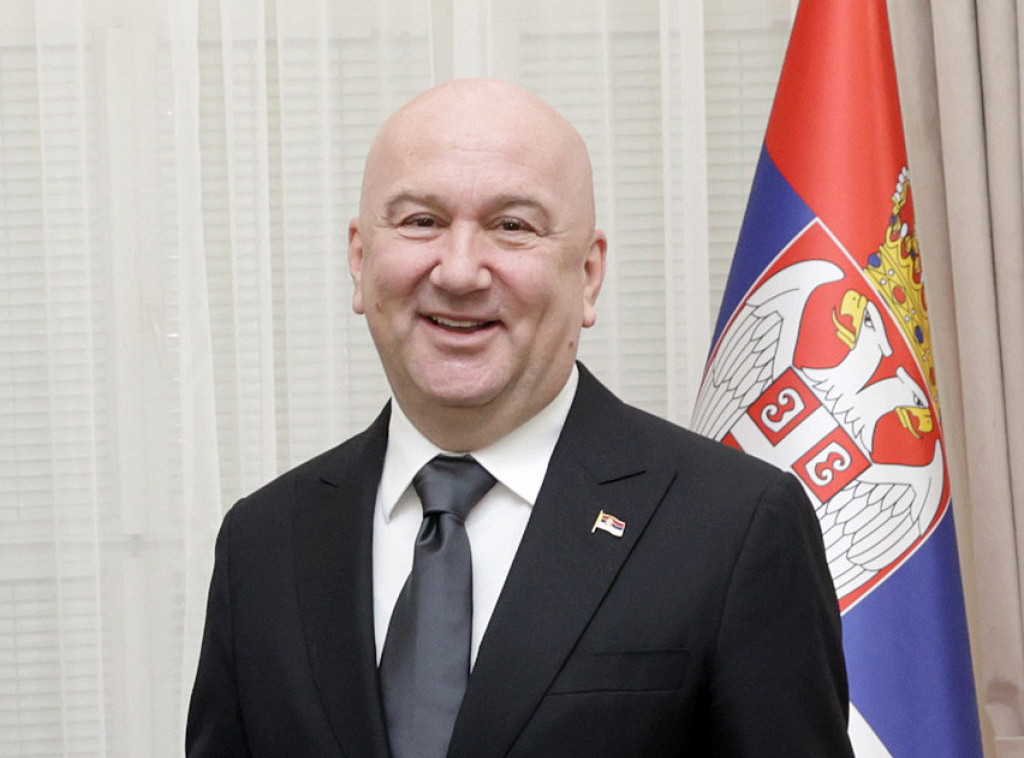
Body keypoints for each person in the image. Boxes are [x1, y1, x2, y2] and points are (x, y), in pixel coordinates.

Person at [186, 78, 854, 757]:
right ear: (360, 260)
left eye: (512, 227)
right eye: (421, 221)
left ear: (588, 274)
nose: (459, 272)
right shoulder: (261, 546)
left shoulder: (735, 527)